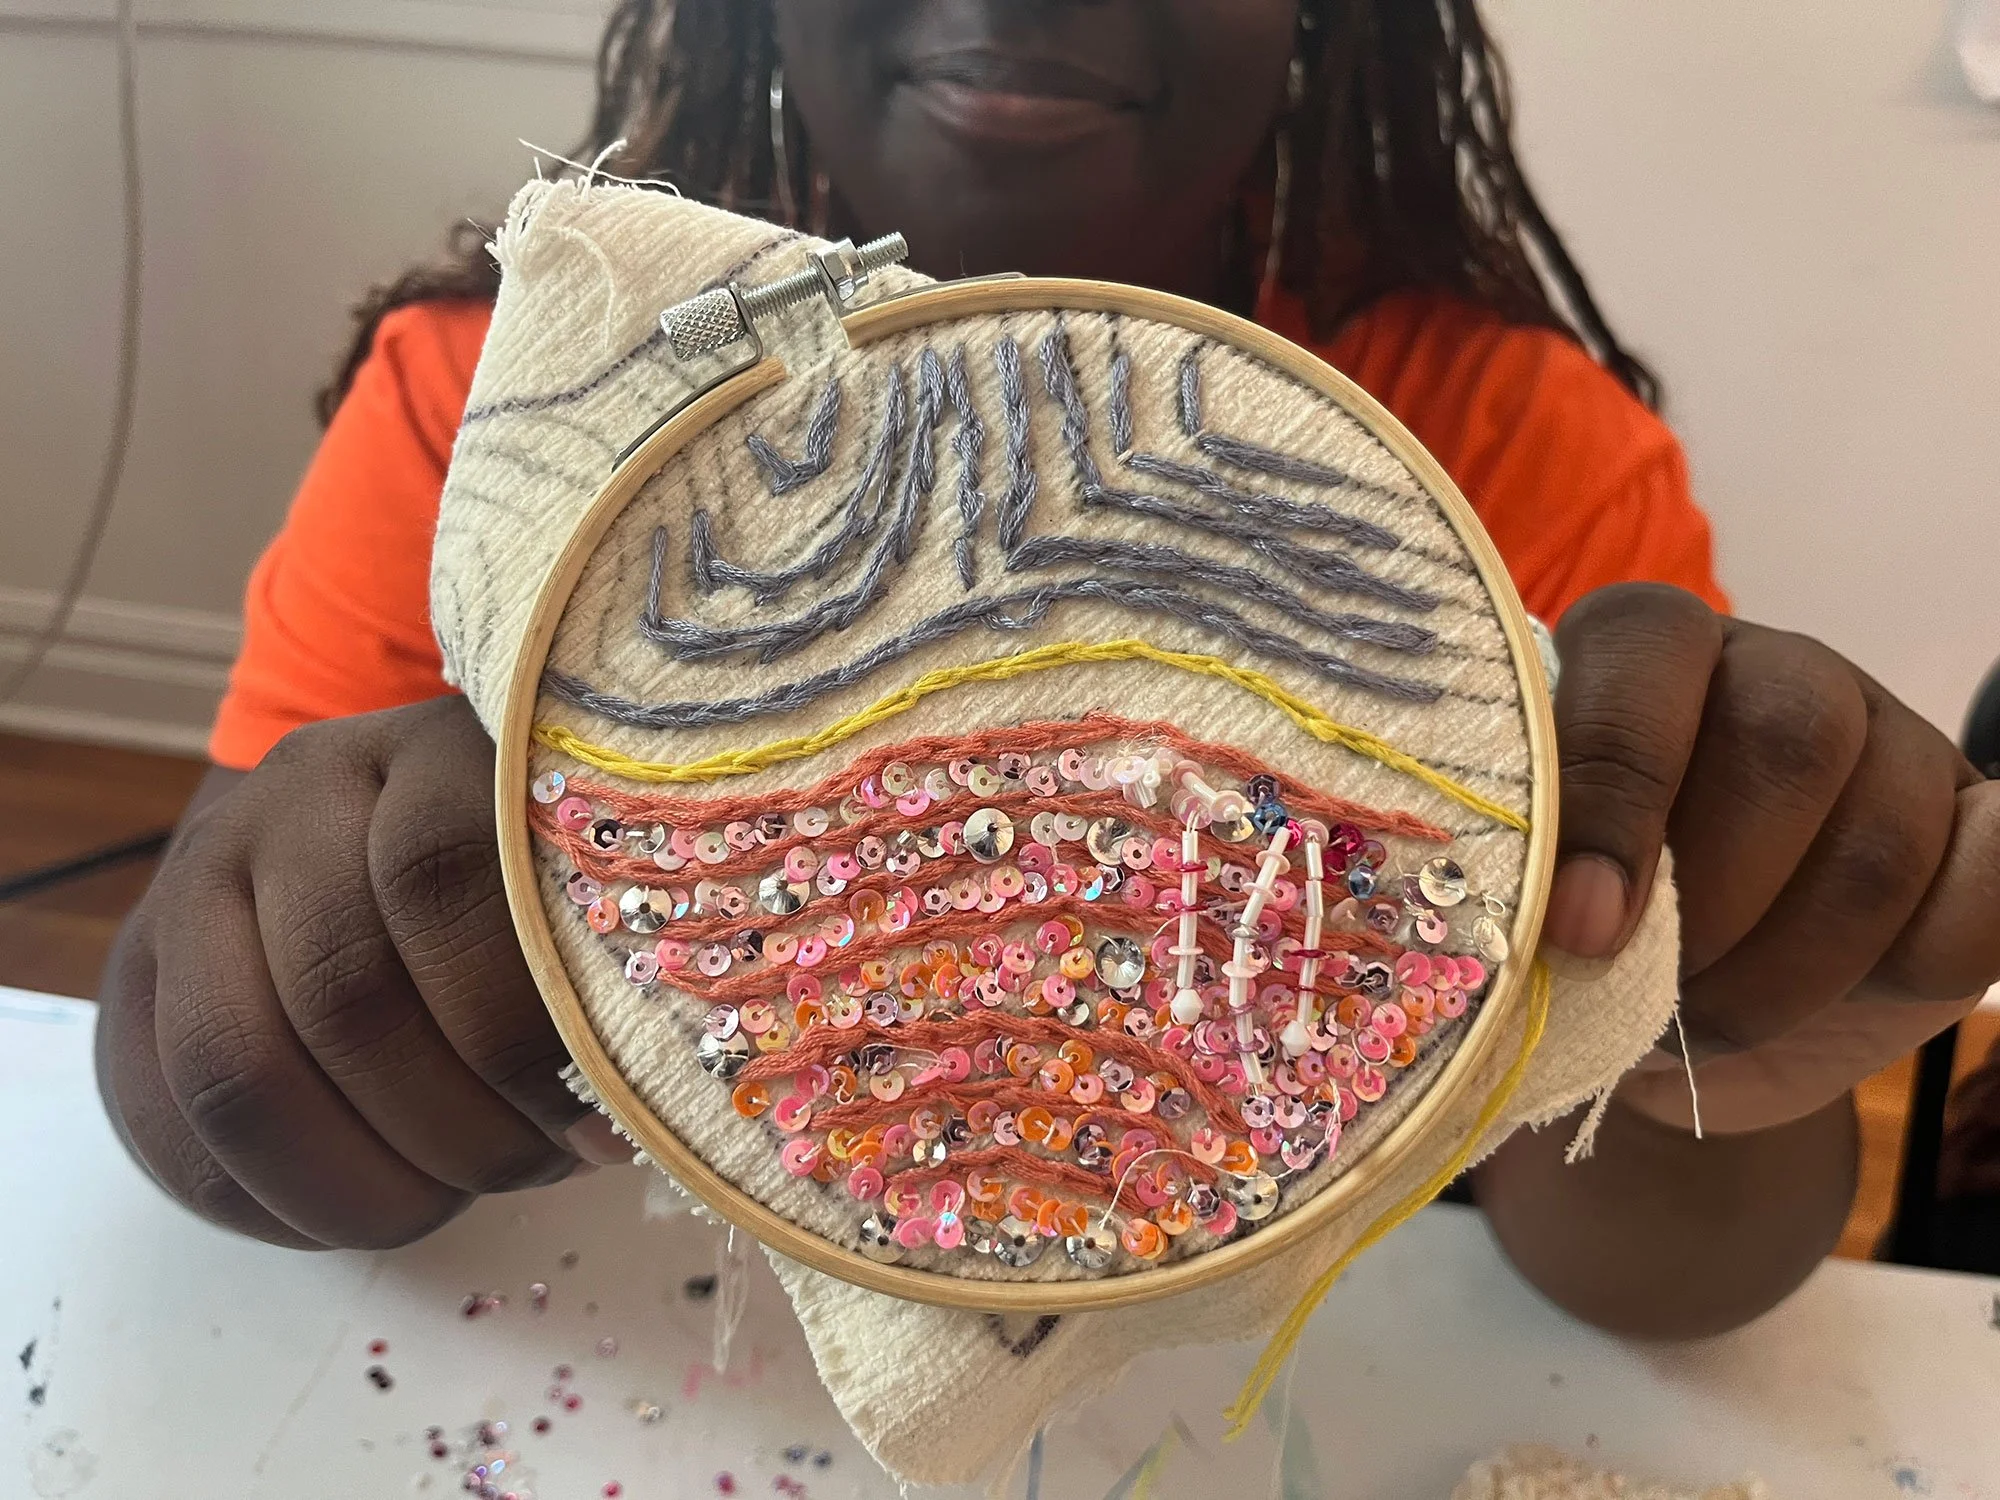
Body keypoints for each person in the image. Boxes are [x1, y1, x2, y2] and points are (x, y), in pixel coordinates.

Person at [97, 0, 1999, 1340]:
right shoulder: (482, 417)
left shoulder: (1514, 452)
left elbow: (1664, 1282)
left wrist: (1675, 1063)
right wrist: (284, 1008)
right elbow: (216, 1095)